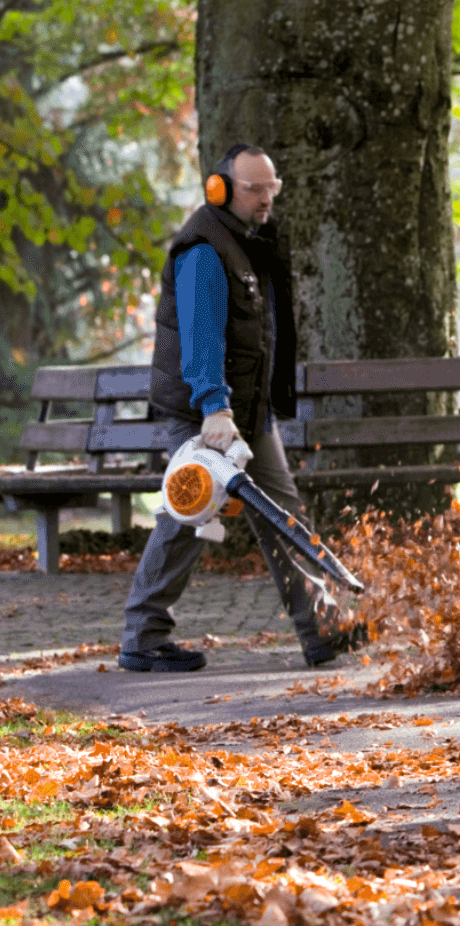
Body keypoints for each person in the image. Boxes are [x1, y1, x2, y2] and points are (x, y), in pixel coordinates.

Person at [120, 144, 350, 672]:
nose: (266, 198)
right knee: (189, 511)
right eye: (254, 188)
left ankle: (321, 630)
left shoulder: (251, 245)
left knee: (285, 515)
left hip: (246, 410)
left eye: (273, 187)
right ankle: (144, 639)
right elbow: (202, 339)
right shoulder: (205, 249)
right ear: (220, 189)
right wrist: (214, 408)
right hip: (206, 411)